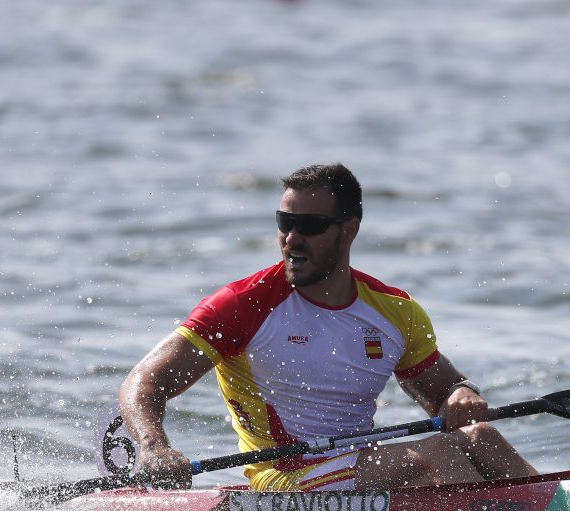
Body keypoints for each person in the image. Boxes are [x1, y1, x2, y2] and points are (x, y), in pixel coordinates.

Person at [118, 163, 537, 491]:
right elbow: (144, 382)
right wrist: (154, 448)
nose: (292, 239)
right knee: (437, 453)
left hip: (365, 465)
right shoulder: (241, 306)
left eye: (311, 227)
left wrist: (462, 393)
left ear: (348, 230)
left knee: (478, 434)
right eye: (285, 223)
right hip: (285, 476)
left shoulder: (395, 311)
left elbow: (443, 395)